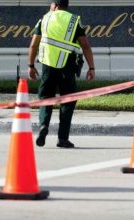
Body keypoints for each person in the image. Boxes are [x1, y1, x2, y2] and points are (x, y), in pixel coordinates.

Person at [27, 0, 95, 148]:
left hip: (47, 66)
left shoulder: (44, 19)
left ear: (55, 5)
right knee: (68, 100)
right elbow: (85, 45)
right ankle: (63, 138)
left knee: (45, 97)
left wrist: (31, 65)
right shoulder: (74, 20)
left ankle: (43, 125)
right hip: (67, 67)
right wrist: (91, 68)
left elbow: (33, 44)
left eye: (51, 4)